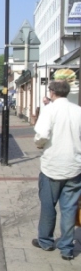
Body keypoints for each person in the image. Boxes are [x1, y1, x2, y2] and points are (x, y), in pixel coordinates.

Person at [32, 80, 81, 261]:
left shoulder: (50, 110)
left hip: (52, 166)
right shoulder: (78, 111)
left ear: (52, 92)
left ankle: (46, 241)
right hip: (75, 167)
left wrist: (39, 144)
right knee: (69, 208)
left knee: (48, 206)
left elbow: (42, 135)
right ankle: (67, 249)